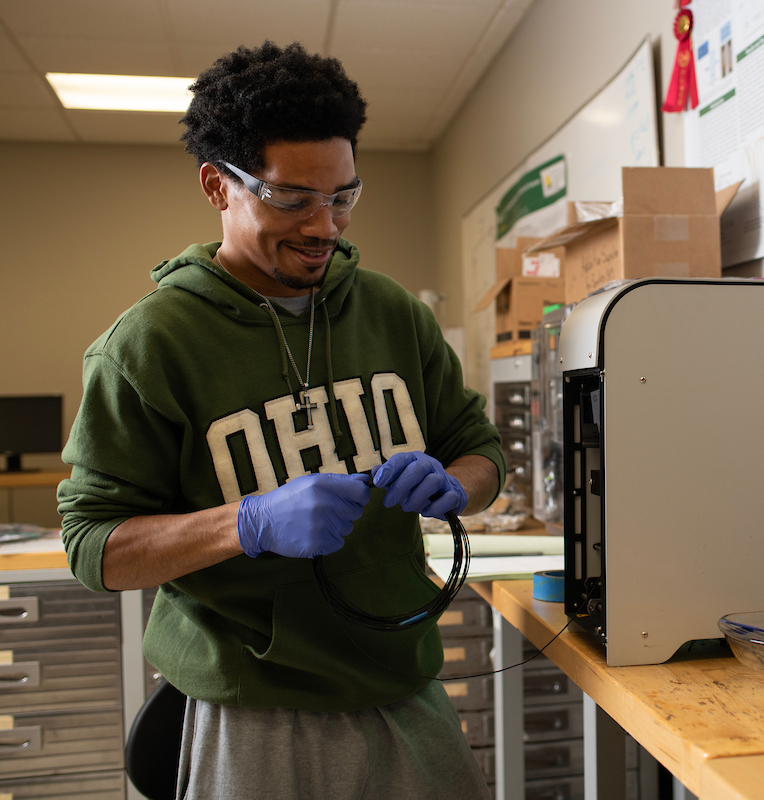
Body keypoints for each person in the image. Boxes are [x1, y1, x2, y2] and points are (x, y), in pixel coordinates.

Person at [57, 41, 502, 800]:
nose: (324, 226)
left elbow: (480, 450)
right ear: (216, 186)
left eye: (343, 197)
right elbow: (92, 545)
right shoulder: (149, 346)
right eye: (291, 199)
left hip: (407, 693)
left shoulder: (392, 312)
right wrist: (248, 523)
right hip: (252, 718)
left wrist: (457, 485)